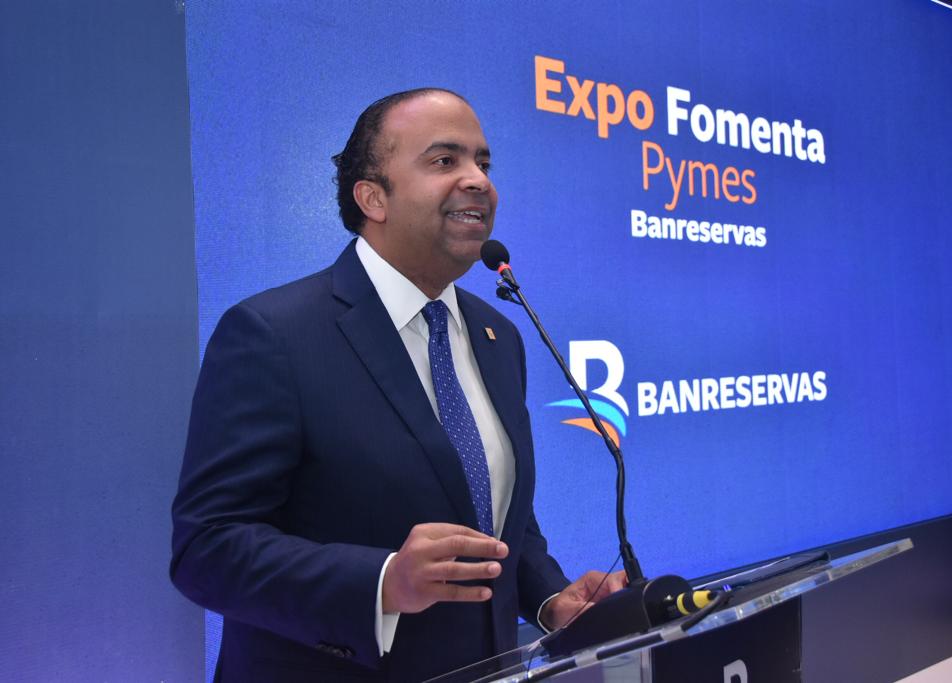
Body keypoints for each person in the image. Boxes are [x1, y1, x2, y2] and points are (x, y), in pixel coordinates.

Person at [171, 88, 626, 682]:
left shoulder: (498, 336)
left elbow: (491, 517)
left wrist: (549, 599)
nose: (478, 180)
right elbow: (206, 549)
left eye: (483, 163)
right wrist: (383, 582)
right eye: (445, 160)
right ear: (373, 198)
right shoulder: (273, 334)